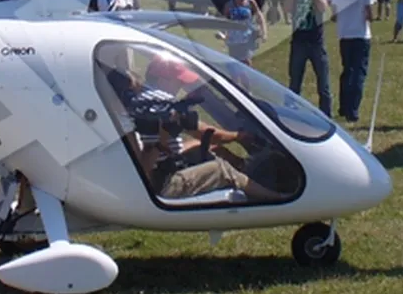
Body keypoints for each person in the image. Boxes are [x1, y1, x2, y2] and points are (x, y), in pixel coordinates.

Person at [102, 65, 288, 202]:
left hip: (161, 169)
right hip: (161, 183)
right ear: (162, 80)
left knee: (209, 148)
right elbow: (146, 166)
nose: (183, 88)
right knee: (222, 169)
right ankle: (279, 198)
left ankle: (258, 180)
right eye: (179, 81)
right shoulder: (150, 110)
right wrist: (239, 136)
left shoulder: (133, 111)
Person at [330, 0, 376, 123]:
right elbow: (369, 14)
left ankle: (343, 106)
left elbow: (334, 15)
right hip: (361, 34)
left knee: (347, 70)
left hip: (344, 34)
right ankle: (353, 109)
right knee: (359, 73)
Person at [286, 0, 332, 117]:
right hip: (298, 42)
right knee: (294, 81)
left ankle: (326, 115)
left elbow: (322, 8)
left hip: (316, 42)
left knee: (323, 83)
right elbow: (287, 9)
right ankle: (291, 113)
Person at [220, 0, 266, 66]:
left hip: (247, 37)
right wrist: (223, 33)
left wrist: (263, 32)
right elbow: (224, 20)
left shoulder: (250, 2)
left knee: (247, 62)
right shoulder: (228, 4)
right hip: (233, 39)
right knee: (235, 63)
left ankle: (249, 79)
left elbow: (259, 15)